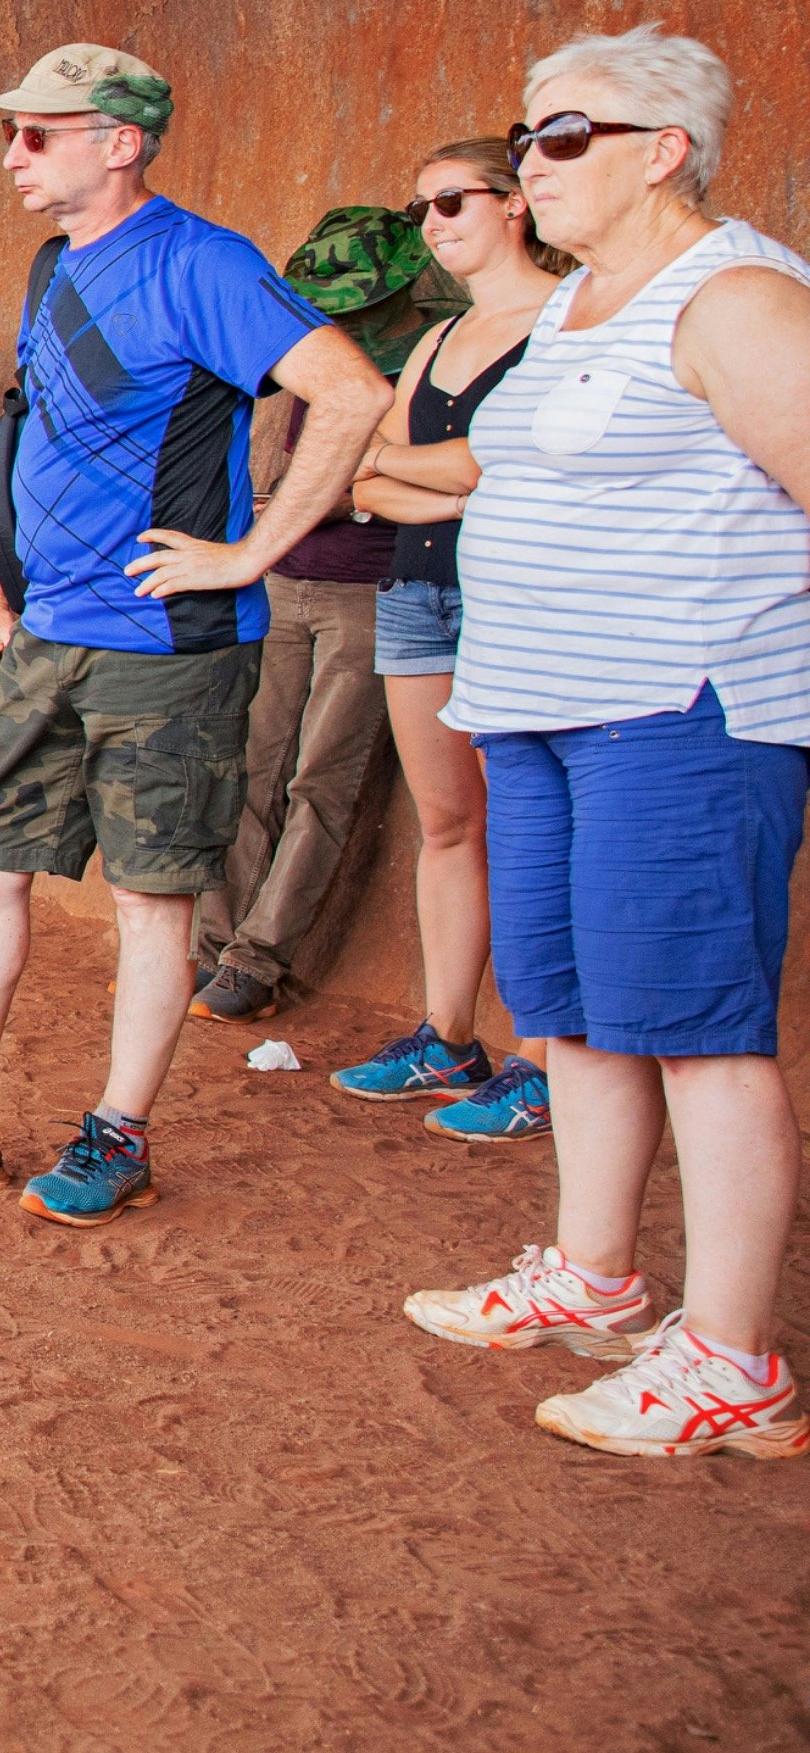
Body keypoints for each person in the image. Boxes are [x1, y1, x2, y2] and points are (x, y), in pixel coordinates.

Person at [0, 46, 386, 1222]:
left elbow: (350, 394)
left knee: (150, 896)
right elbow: (41, 437)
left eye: (39, 132)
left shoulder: (201, 263)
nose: (12, 154)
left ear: (118, 143)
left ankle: (117, 1136)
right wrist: (3, 589)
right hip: (51, 630)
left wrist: (248, 554)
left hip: (166, 641)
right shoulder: (50, 267)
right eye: (11, 132)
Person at [403, 25, 810, 1459]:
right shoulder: (580, 304)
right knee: (568, 1009)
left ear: (665, 150)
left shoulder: (737, 294)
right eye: (524, 137)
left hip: (680, 708)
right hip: (542, 708)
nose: (531, 162)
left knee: (698, 1029)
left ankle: (733, 1356)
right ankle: (595, 1276)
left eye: (563, 135)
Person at [325, 141, 567, 1135]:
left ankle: (544, 1057)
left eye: (452, 200)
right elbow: (363, 474)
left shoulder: (564, 316)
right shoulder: (438, 339)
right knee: (446, 825)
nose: (432, 222)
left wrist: (429, 473)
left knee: (529, 824)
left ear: (514, 205)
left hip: (514, 595)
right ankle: (447, 1033)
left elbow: (511, 466)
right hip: (419, 588)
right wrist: (448, 472)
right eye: (420, 205)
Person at [183, 207, 442, 1022]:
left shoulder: (427, 358)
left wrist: (326, 495)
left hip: (368, 590)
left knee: (321, 778)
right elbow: (306, 477)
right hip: (280, 578)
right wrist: (324, 496)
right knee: (251, 765)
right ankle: (208, 943)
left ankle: (259, 958)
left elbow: (359, 483)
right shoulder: (317, 362)